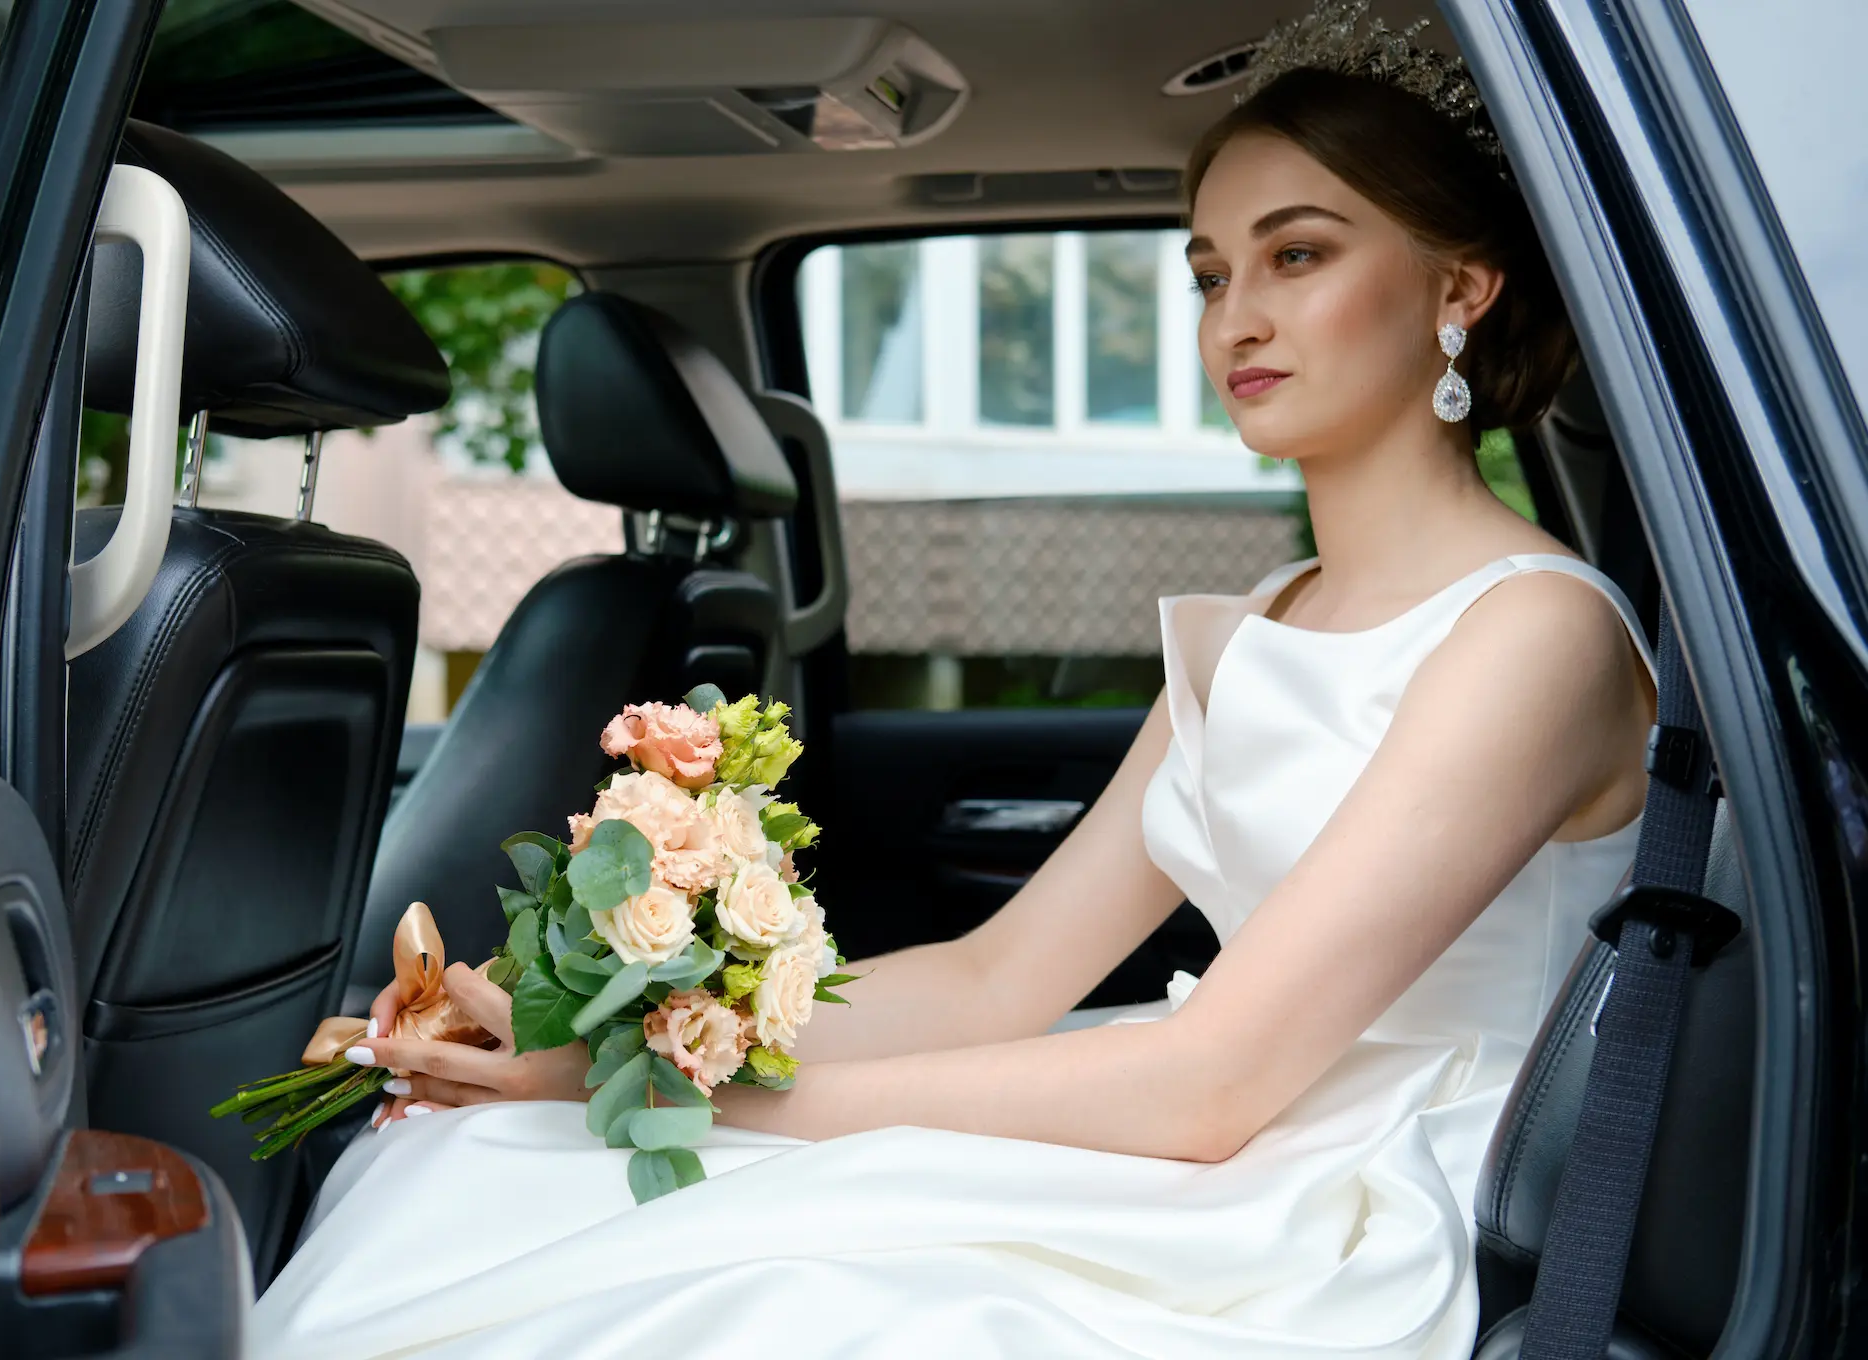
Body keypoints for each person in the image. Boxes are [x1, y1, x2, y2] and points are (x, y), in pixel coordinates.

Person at [249, 6, 1658, 1356]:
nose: (1239, 317)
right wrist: (624, 1039)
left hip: (1355, 1191)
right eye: (1215, 272)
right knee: (498, 1160)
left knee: (749, 1282)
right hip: (1209, 1129)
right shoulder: (1257, 624)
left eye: (1299, 256)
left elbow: (1207, 1086)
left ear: (1460, 287)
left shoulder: (1536, 635)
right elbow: (998, 976)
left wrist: (704, 1100)